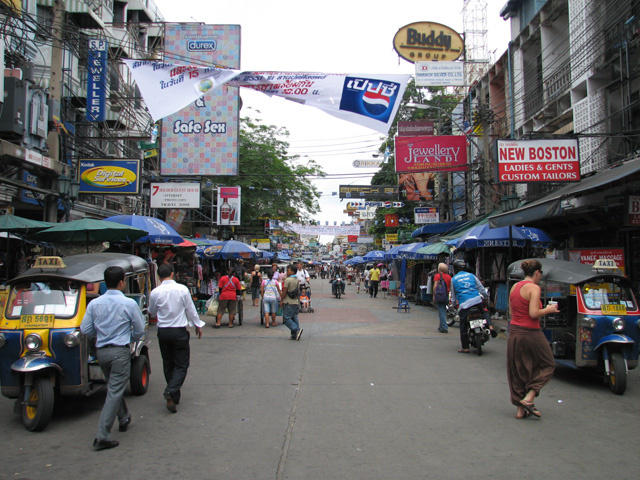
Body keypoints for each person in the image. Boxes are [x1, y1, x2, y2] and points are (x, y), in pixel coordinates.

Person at [80, 266, 145, 451]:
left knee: (113, 387)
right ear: (121, 282)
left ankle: (123, 417)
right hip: (119, 352)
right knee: (114, 391)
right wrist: (129, 339)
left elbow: (85, 329)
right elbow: (139, 330)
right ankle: (102, 436)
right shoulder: (129, 304)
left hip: (102, 352)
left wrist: (100, 336)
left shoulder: (94, 304)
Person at [149, 264, 204, 414]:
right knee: (181, 365)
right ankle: (171, 390)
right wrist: (197, 325)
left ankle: (174, 396)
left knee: (168, 363)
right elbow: (190, 309)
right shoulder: (182, 289)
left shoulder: (155, 292)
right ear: (172, 274)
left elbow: (151, 312)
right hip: (179, 331)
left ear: (159, 277)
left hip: (163, 332)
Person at [508, 259, 558, 419]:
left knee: (519, 369)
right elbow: (533, 313)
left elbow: (510, 312)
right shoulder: (534, 288)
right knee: (548, 364)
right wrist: (548, 309)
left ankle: (520, 409)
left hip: (515, 332)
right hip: (531, 332)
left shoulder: (515, 287)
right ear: (537, 273)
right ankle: (529, 398)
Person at [450, 260, 497, 353]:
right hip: (476, 300)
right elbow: (481, 288)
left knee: (462, 324)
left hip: (464, 304)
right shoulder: (471, 275)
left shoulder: (454, 279)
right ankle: (490, 326)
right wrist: (486, 296)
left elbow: (453, 295)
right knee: (484, 312)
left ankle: (465, 347)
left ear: (455, 269)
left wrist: (454, 304)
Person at [281, 264, 303, 340]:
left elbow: (284, 291)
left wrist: (281, 300)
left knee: (286, 318)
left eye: (288, 270)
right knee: (294, 317)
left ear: (292, 271)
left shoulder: (287, 280)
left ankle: (297, 329)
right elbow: (298, 291)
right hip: (295, 301)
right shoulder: (297, 280)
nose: (287, 272)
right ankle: (294, 335)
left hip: (288, 302)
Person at [433, 263, 452, 333]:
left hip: (440, 296)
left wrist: (434, 295)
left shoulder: (437, 276)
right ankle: (441, 326)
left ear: (439, 269)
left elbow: (435, 287)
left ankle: (444, 327)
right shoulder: (449, 277)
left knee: (441, 311)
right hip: (446, 296)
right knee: (443, 310)